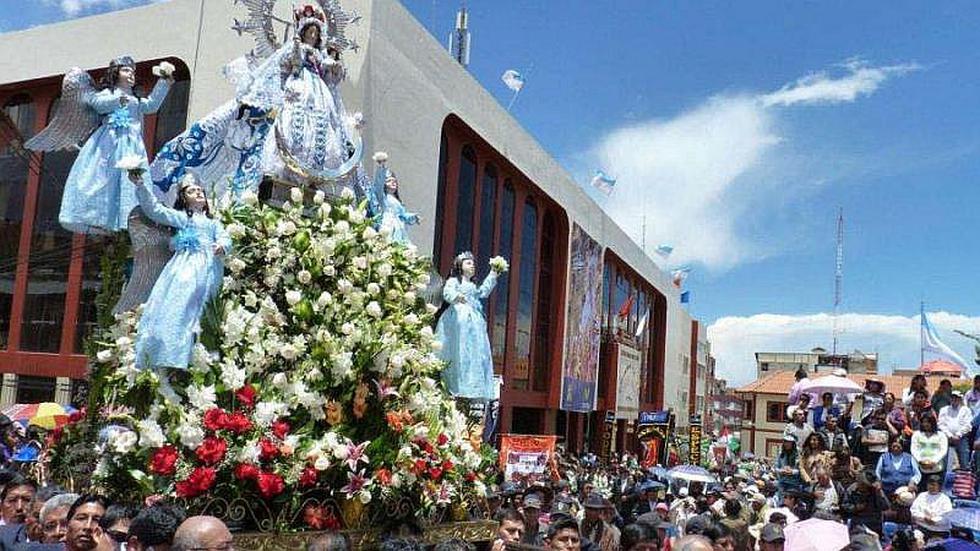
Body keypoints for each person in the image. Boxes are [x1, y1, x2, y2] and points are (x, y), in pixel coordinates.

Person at [24, 56, 173, 234]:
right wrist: (117, 101)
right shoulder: (109, 93)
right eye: (127, 71)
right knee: (103, 179)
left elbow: (151, 106)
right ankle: (98, 217)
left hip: (132, 146)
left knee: (130, 183)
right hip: (109, 143)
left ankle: (127, 218)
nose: (131, 75)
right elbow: (97, 104)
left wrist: (164, 82)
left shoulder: (135, 99)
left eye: (133, 72)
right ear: (116, 73)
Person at [128, 172, 230, 386]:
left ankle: (203, 354)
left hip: (209, 268)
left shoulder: (213, 223)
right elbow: (155, 210)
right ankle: (171, 353)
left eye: (200, 191)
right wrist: (140, 184)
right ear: (184, 198)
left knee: (205, 309)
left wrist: (222, 246)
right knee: (178, 307)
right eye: (193, 191)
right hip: (184, 269)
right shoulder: (183, 218)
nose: (198, 193)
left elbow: (225, 237)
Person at [435, 252, 506, 401]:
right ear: (460, 266)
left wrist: (493, 273)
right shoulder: (455, 281)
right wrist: (456, 296)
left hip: (474, 322)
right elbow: (447, 292)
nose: (471, 265)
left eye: (473, 263)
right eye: (468, 263)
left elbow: (483, 292)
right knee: (457, 349)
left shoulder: (472, 285)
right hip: (458, 317)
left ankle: (471, 385)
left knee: (474, 353)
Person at [373, 157, 419, 246]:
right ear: (384, 184)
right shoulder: (383, 197)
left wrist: (413, 217)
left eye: (394, 181)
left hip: (398, 227)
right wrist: (381, 167)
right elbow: (378, 185)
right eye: (389, 181)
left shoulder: (397, 200)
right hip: (387, 225)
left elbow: (403, 214)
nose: (393, 183)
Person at [840, 471, 890, 537]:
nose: (864, 487)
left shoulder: (876, 491)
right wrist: (856, 508)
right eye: (862, 484)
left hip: (874, 525)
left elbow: (885, 506)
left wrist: (879, 493)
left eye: (866, 485)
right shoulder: (851, 490)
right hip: (858, 525)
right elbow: (844, 506)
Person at [910, 414, 948, 490]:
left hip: (936, 468)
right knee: (922, 491)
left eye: (928, 422)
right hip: (921, 468)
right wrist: (921, 461)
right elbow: (914, 449)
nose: (925, 424)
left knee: (935, 490)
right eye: (923, 422)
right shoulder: (917, 434)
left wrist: (933, 462)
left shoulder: (941, 435)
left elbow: (943, 450)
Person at [937, 390, 972, 469]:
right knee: (944, 463)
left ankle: (964, 479)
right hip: (946, 439)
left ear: (960, 399)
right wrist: (949, 435)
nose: (954, 399)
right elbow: (941, 424)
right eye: (953, 397)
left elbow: (968, 425)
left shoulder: (966, 410)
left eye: (957, 398)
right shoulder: (944, 410)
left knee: (964, 462)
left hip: (961, 439)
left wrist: (958, 435)